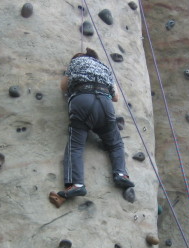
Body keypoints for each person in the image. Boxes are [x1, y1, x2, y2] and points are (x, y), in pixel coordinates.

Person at [57, 47, 134, 199]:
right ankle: (121, 174)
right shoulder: (105, 67)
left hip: (82, 101)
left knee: (76, 146)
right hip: (105, 105)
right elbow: (116, 98)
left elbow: (63, 86)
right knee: (116, 143)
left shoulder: (76, 62)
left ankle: (76, 185)